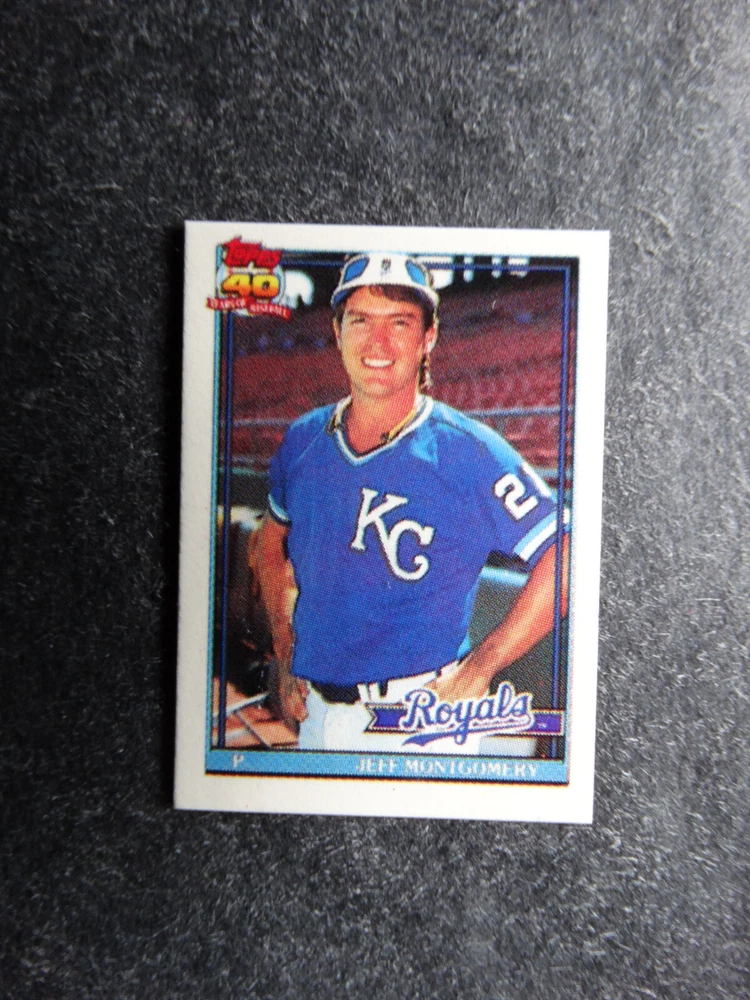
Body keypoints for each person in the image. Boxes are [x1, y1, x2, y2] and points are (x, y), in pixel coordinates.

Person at [254, 252, 569, 754]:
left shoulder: (469, 450)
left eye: (399, 323)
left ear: (428, 338)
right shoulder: (303, 438)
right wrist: (285, 646)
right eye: (360, 321)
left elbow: (567, 553)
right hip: (316, 713)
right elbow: (268, 544)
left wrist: (482, 666)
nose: (377, 343)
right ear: (337, 332)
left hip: (419, 718)